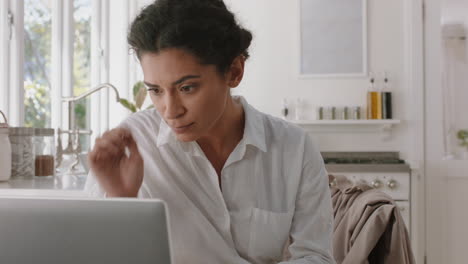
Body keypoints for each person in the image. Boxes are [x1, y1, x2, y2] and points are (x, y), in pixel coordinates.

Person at [84, 0, 335, 263]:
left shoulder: (293, 148)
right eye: (155, 90)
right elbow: (90, 255)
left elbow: (315, 256)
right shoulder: (131, 145)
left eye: (187, 88)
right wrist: (121, 201)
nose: (170, 110)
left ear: (234, 72)